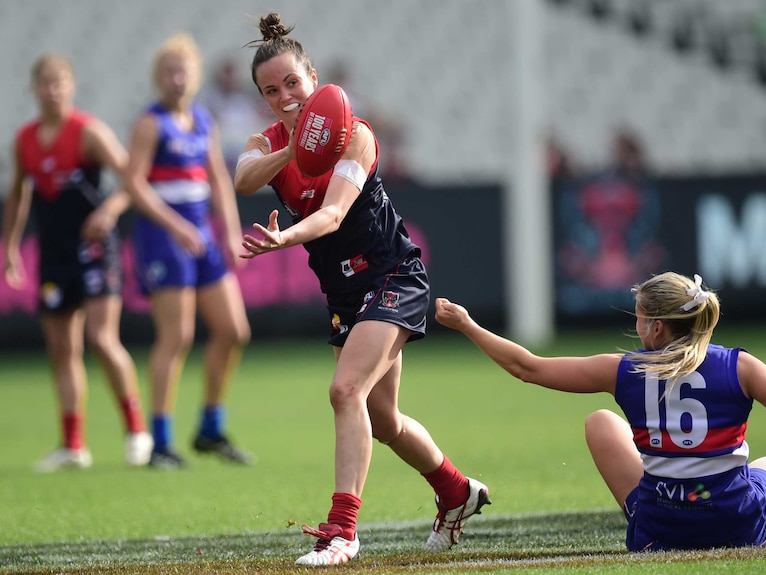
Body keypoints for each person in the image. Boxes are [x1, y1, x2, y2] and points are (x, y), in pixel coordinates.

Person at [234, 13, 489, 566]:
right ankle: (456, 491)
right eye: (270, 90)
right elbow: (243, 177)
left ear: (313, 78)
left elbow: (330, 216)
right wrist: (293, 147)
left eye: (292, 84)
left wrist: (284, 240)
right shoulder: (270, 141)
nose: (283, 97)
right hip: (346, 294)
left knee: (344, 392)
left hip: (393, 277)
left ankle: (342, 532)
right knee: (383, 419)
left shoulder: (356, 134)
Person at [436, 272, 766, 551]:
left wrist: (468, 325)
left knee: (600, 421)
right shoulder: (740, 365)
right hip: (735, 522)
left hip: (658, 528)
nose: (636, 328)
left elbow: (526, 368)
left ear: (657, 327)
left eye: (640, 320)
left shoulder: (622, 370)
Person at [2, 53, 152, 472]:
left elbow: (131, 179)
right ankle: (73, 445)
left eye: (59, 82)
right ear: (34, 88)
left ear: (70, 87)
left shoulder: (88, 133)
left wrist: (110, 212)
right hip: (53, 253)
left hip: (94, 250)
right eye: (44, 83)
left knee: (102, 340)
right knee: (62, 350)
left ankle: (137, 430)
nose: (52, 90)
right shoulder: (25, 140)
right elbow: (18, 193)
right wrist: (12, 246)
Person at [124, 33, 252, 469]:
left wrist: (231, 233)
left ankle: (210, 429)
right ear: (158, 78)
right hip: (165, 237)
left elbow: (218, 178)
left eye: (184, 71)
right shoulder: (150, 123)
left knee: (234, 330)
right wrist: (176, 226)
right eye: (169, 72)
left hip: (201, 237)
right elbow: (133, 184)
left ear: (195, 77)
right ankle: (159, 441)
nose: (177, 79)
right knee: (176, 337)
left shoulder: (202, 120)